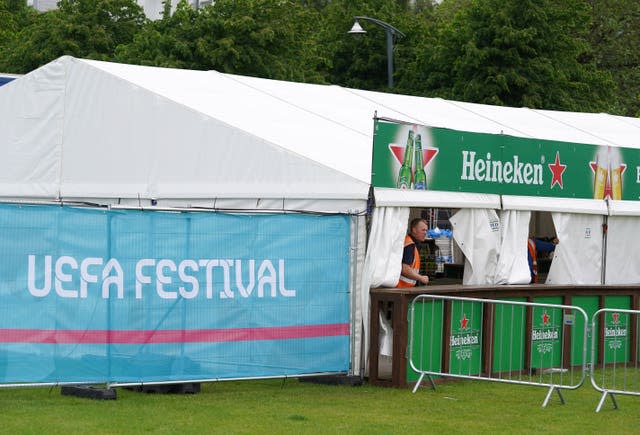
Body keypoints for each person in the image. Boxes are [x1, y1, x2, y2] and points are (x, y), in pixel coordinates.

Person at [396, 218, 430, 287]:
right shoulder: (409, 245)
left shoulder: (411, 243)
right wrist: (421, 278)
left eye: (426, 230)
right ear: (414, 230)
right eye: (423, 230)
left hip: (402, 288)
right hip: (401, 288)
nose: (425, 233)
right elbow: (404, 268)